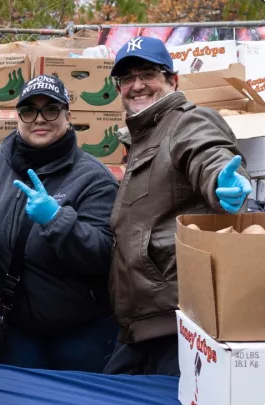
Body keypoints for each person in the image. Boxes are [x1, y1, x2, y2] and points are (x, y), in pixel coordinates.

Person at [104, 36, 251, 376]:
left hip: (178, 319)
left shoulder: (187, 121)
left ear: (173, 80)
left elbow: (209, 153)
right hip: (143, 323)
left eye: (148, 74)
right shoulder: (142, 137)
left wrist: (222, 183)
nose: (137, 85)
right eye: (127, 78)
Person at [0, 75, 119, 371]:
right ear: (18, 116)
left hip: (80, 331)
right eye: (29, 110)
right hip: (15, 330)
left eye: (50, 109)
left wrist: (57, 220)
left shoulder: (94, 178)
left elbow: (104, 256)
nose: (39, 119)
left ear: (68, 114)